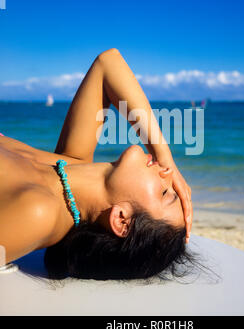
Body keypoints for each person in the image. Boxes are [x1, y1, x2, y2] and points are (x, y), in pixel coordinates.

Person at [0, 48, 194, 280]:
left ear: (121, 219)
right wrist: (165, 154)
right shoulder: (70, 163)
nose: (166, 172)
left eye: (164, 192)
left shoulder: (40, 213)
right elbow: (108, 63)